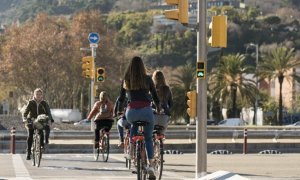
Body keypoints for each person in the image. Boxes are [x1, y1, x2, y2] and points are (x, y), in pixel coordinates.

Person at [117, 56, 160, 177]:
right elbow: (156, 97)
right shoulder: (147, 79)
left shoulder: (127, 79)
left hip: (131, 112)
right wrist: (158, 108)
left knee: (133, 125)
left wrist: (120, 110)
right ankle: (151, 164)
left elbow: (121, 99)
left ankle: (131, 150)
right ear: (142, 66)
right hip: (146, 111)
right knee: (148, 138)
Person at [23, 88, 54, 160]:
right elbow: (25, 112)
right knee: (30, 135)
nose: (38, 96)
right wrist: (25, 118)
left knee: (41, 132)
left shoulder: (44, 103)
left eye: (40, 94)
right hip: (32, 120)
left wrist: (49, 120)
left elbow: (48, 113)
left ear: (42, 95)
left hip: (40, 121)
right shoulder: (31, 102)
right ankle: (28, 152)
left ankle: (41, 145)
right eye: (37, 94)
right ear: (34, 95)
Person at [152, 70, 173, 134]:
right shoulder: (167, 89)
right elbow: (171, 104)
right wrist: (167, 111)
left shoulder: (151, 89)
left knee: (149, 135)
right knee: (161, 134)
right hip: (164, 118)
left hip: (153, 118)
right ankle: (161, 139)